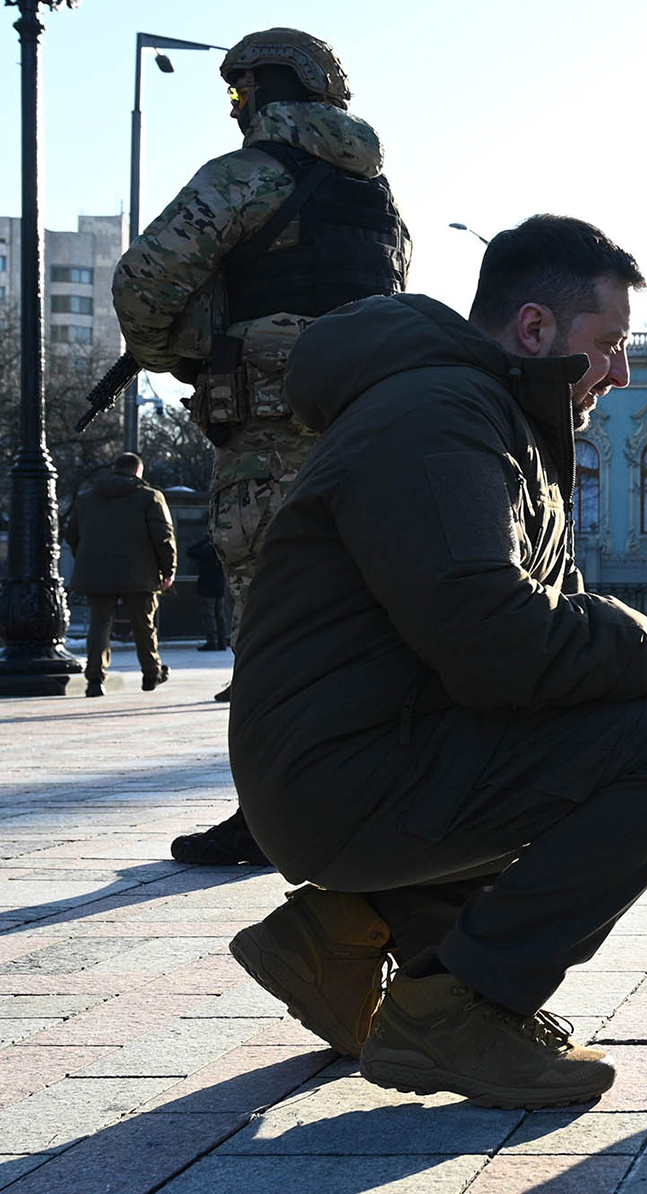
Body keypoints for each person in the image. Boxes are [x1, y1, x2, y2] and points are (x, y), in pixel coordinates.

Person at [226, 215, 647, 1108]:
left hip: (370, 754)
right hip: (342, 775)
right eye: (608, 345)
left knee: (607, 715)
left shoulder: (491, 414)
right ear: (535, 330)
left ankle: (339, 934)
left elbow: (538, 634)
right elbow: (489, 635)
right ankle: (456, 1011)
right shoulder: (436, 417)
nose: (621, 370)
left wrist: (614, 655)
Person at [111, 27, 411, 863]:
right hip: (364, 428)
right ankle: (366, 797)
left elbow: (142, 281)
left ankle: (270, 815)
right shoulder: (377, 198)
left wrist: (187, 358)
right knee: (357, 617)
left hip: (269, 433)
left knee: (270, 623)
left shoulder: (246, 175)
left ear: (256, 90)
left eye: (237, 94)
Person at [65, 454, 176, 697]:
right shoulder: (150, 497)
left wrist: (87, 558)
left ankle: (94, 680)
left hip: (96, 572)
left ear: (115, 469)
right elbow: (163, 536)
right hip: (139, 573)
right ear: (138, 471)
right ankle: (151, 674)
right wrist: (168, 570)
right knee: (143, 624)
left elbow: (72, 535)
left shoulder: (86, 499)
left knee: (99, 626)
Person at [190, 537, 232, 651]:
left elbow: (191, 551)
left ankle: (212, 641)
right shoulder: (224, 547)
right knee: (220, 614)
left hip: (208, 585)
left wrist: (204, 540)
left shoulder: (208, 548)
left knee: (209, 615)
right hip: (219, 585)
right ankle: (222, 641)